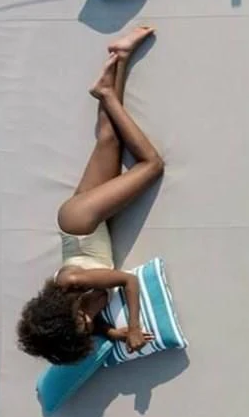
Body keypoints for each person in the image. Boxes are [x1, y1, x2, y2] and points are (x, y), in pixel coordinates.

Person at [16, 26, 164, 364]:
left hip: (82, 221)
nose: (88, 326)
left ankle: (107, 95)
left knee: (151, 165)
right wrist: (117, 334)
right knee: (109, 139)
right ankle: (120, 55)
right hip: (78, 222)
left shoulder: (74, 282)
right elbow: (98, 330)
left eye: (80, 326)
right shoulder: (81, 309)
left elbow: (127, 281)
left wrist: (136, 325)